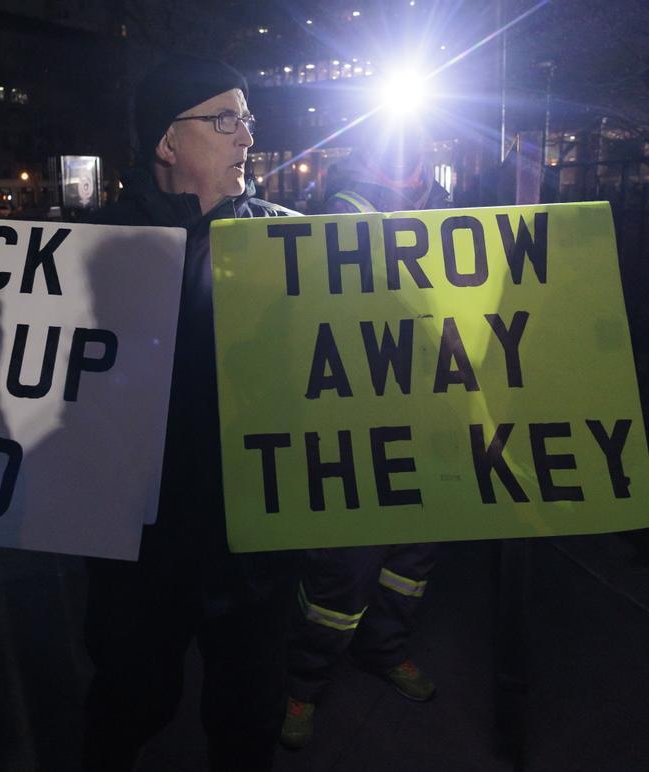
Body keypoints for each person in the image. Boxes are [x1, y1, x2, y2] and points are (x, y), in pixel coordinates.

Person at [82, 54, 298, 771]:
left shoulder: (292, 243)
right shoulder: (89, 250)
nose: (246, 138)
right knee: (130, 701)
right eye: (225, 120)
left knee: (249, 717)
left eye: (248, 122)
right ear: (167, 144)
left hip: (254, 544)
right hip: (139, 547)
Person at [279, 130, 450, 751]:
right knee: (342, 574)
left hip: (430, 417)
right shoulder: (339, 211)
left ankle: (384, 650)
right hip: (354, 421)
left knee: (409, 564)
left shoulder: (452, 212)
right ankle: (302, 684)